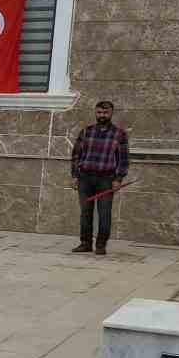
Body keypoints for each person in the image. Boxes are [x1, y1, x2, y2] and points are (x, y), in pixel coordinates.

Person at [71, 100, 128, 256]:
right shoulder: (85, 132)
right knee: (85, 212)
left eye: (105, 113)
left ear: (111, 113)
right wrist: (74, 176)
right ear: (95, 113)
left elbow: (123, 160)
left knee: (104, 213)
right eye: (99, 112)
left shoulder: (119, 134)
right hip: (85, 178)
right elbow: (76, 155)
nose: (102, 115)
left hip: (106, 179)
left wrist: (118, 179)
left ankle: (101, 245)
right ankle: (85, 243)